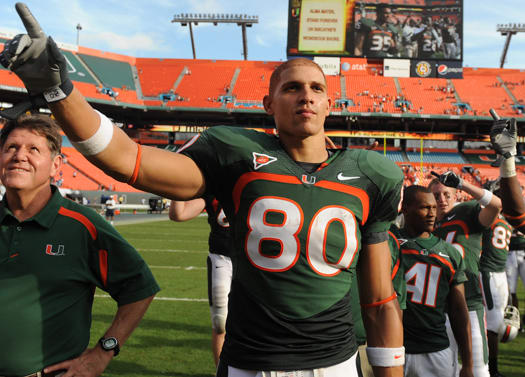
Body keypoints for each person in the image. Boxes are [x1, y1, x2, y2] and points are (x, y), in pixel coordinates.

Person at [2, 4, 405, 376]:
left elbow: (379, 301)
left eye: (316, 88)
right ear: (268, 103)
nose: (306, 96)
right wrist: (60, 92)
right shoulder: (235, 153)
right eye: (292, 88)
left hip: (333, 362)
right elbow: (131, 161)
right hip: (250, 361)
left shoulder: (370, 173)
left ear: (330, 103)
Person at [0, 113, 160, 376]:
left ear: (55, 165)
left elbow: (140, 287)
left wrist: (104, 351)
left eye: (33, 149)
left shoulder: (82, 225)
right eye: (11, 148)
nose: (19, 156)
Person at [429, 171, 502, 377]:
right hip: (439, 310)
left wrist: (463, 184)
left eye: (446, 194)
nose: (442, 200)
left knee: (479, 370)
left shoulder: (466, 211)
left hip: (468, 303)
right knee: (445, 371)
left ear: (456, 195)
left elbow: (495, 205)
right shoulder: (428, 225)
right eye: (436, 196)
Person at [399, 185, 472, 377]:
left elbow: (459, 310)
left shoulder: (449, 253)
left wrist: (469, 364)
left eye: (433, 208)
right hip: (397, 348)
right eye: (424, 207)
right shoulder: (390, 242)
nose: (432, 213)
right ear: (405, 209)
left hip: (436, 348)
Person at [169, 196, 233, 367]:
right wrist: (176, 189)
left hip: (251, 261)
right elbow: (179, 214)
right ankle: (221, 371)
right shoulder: (213, 189)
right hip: (221, 258)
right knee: (220, 322)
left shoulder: (252, 182)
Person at [479, 181, 512, 377]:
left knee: (497, 320)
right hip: (489, 273)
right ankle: (492, 368)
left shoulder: (505, 220)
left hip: (500, 272)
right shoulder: (489, 219)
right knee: (492, 323)